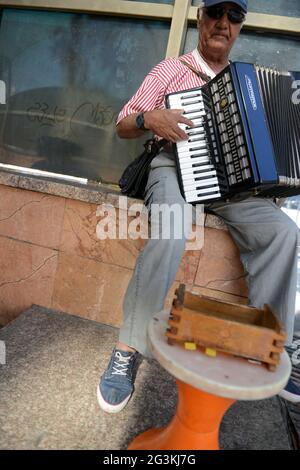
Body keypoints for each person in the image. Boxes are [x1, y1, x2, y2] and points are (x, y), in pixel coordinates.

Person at [97, 0, 300, 413]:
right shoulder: (170, 70)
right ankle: (128, 348)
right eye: (216, 14)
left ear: (240, 27)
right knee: (173, 226)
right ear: (200, 19)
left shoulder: (247, 85)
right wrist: (149, 119)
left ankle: (271, 345)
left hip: (226, 182)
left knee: (283, 233)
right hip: (171, 165)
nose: (223, 24)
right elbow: (122, 122)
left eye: (234, 17)